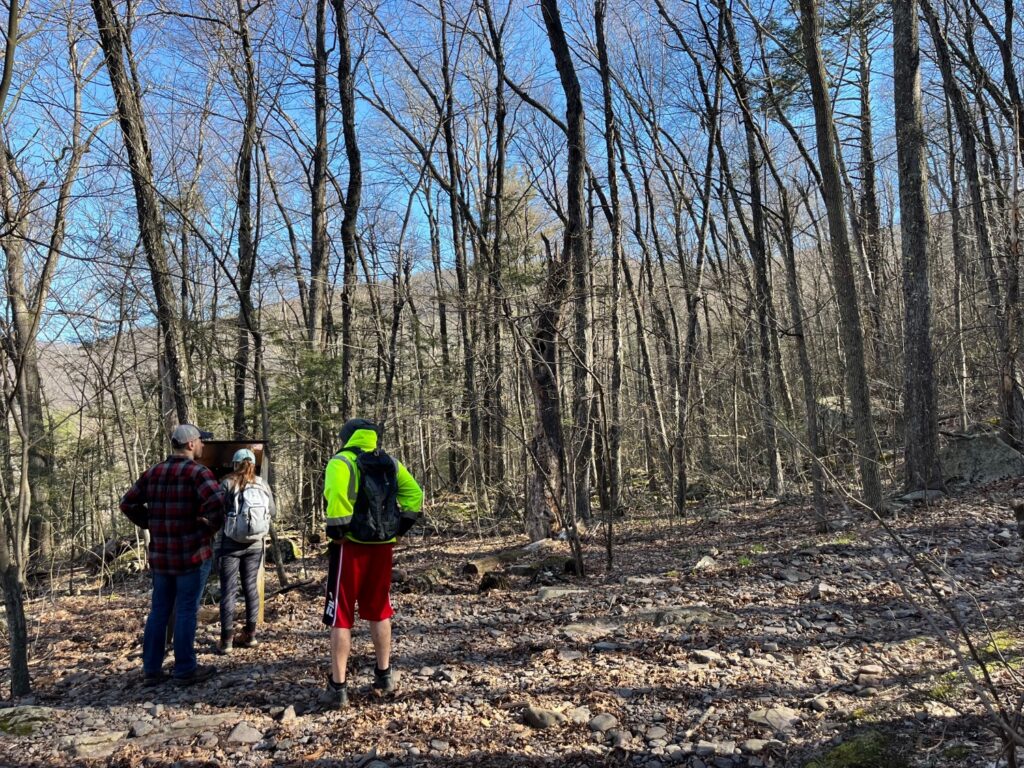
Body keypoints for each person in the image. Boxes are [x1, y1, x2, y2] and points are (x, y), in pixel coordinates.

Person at [322, 418, 423, 708]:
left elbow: (337, 498)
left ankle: (338, 687)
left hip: (350, 547)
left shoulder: (341, 462)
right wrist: (398, 530)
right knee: (380, 609)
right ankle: (384, 674)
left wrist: (338, 533)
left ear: (347, 437)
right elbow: (415, 495)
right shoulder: (391, 463)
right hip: (383, 547)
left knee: (341, 613)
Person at [120, 424, 225, 686]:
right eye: (201, 440)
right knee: (186, 611)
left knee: (159, 611)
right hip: (191, 555)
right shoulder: (198, 473)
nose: (203, 445)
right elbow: (218, 503)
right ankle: (184, 669)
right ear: (190, 444)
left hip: (162, 557)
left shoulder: (153, 472)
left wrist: (149, 521)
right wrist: (207, 527)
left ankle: (152, 670)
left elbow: (128, 503)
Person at [217, 448, 276, 653]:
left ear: (235, 464)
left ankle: (226, 641)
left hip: (230, 544)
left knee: (229, 590)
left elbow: (216, 510)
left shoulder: (227, 483)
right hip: (255, 544)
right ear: (253, 464)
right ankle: (250, 635)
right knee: (250, 587)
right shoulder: (262, 484)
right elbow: (273, 512)